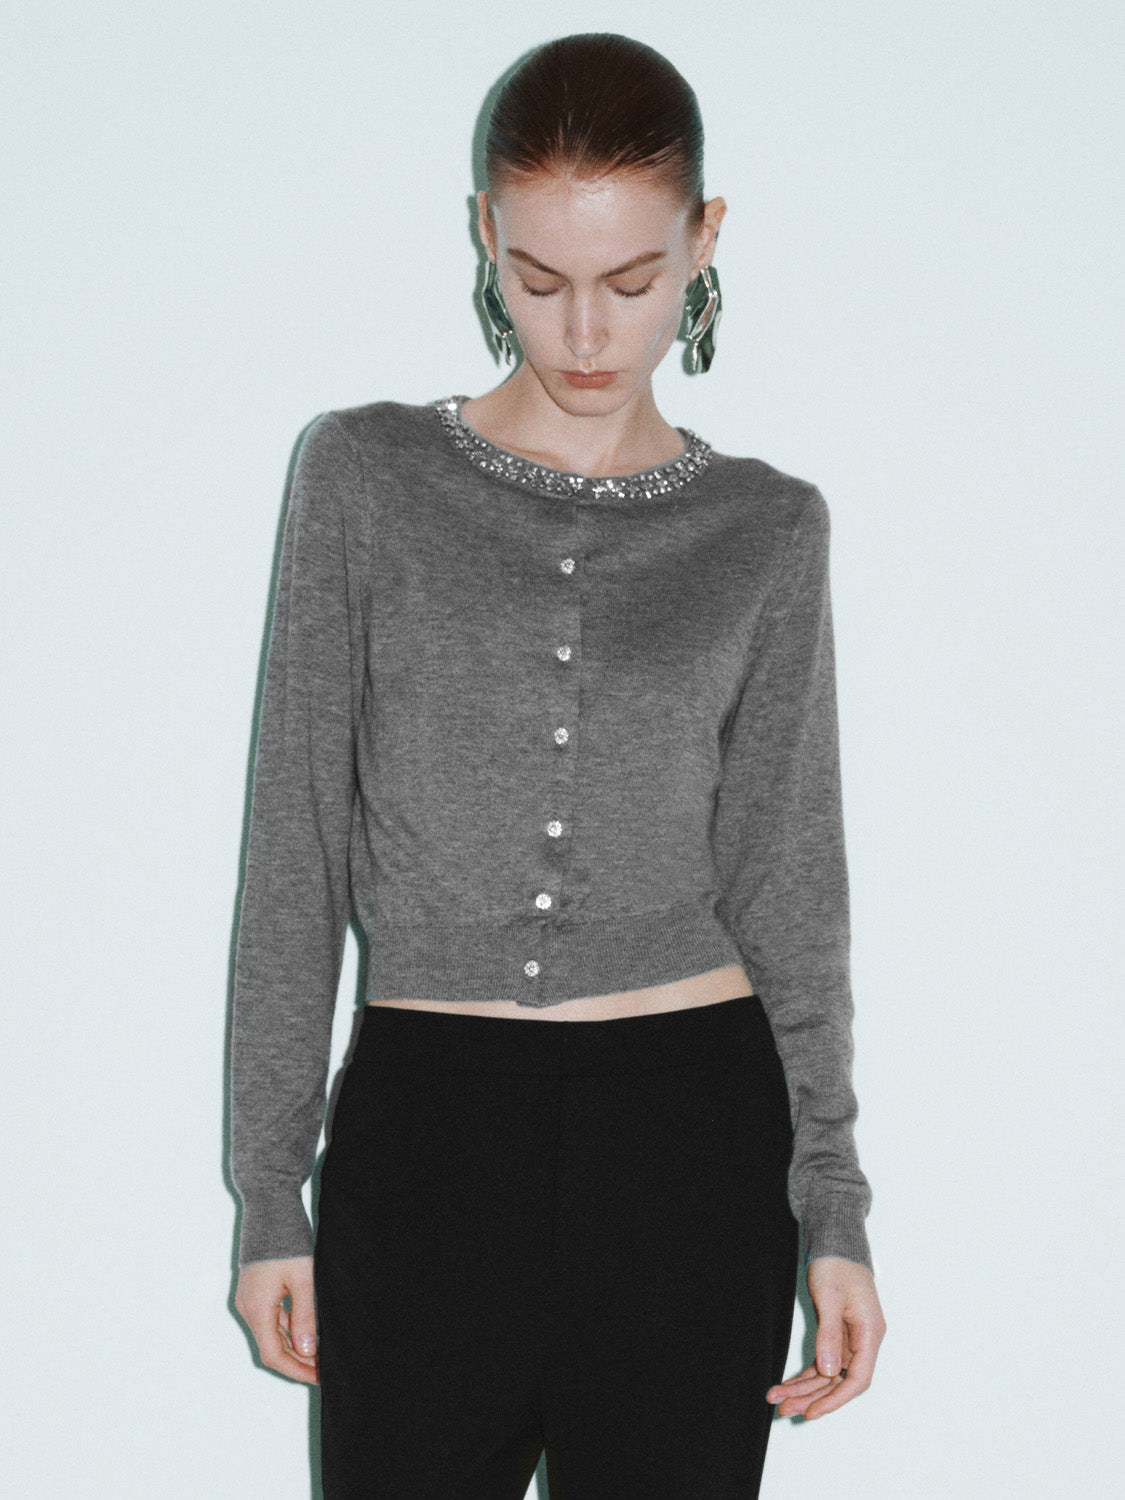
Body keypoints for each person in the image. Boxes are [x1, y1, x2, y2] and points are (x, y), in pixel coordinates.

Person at [230, 30, 886, 1499]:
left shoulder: (767, 531)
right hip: (429, 1135)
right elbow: (295, 853)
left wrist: (833, 1207)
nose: (585, 332)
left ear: (704, 240)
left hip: (691, 1144)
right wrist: (271, 1190)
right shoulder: (363, 477)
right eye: (539, 281)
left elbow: (789, 884)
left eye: (632, 283)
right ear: (485, 235)